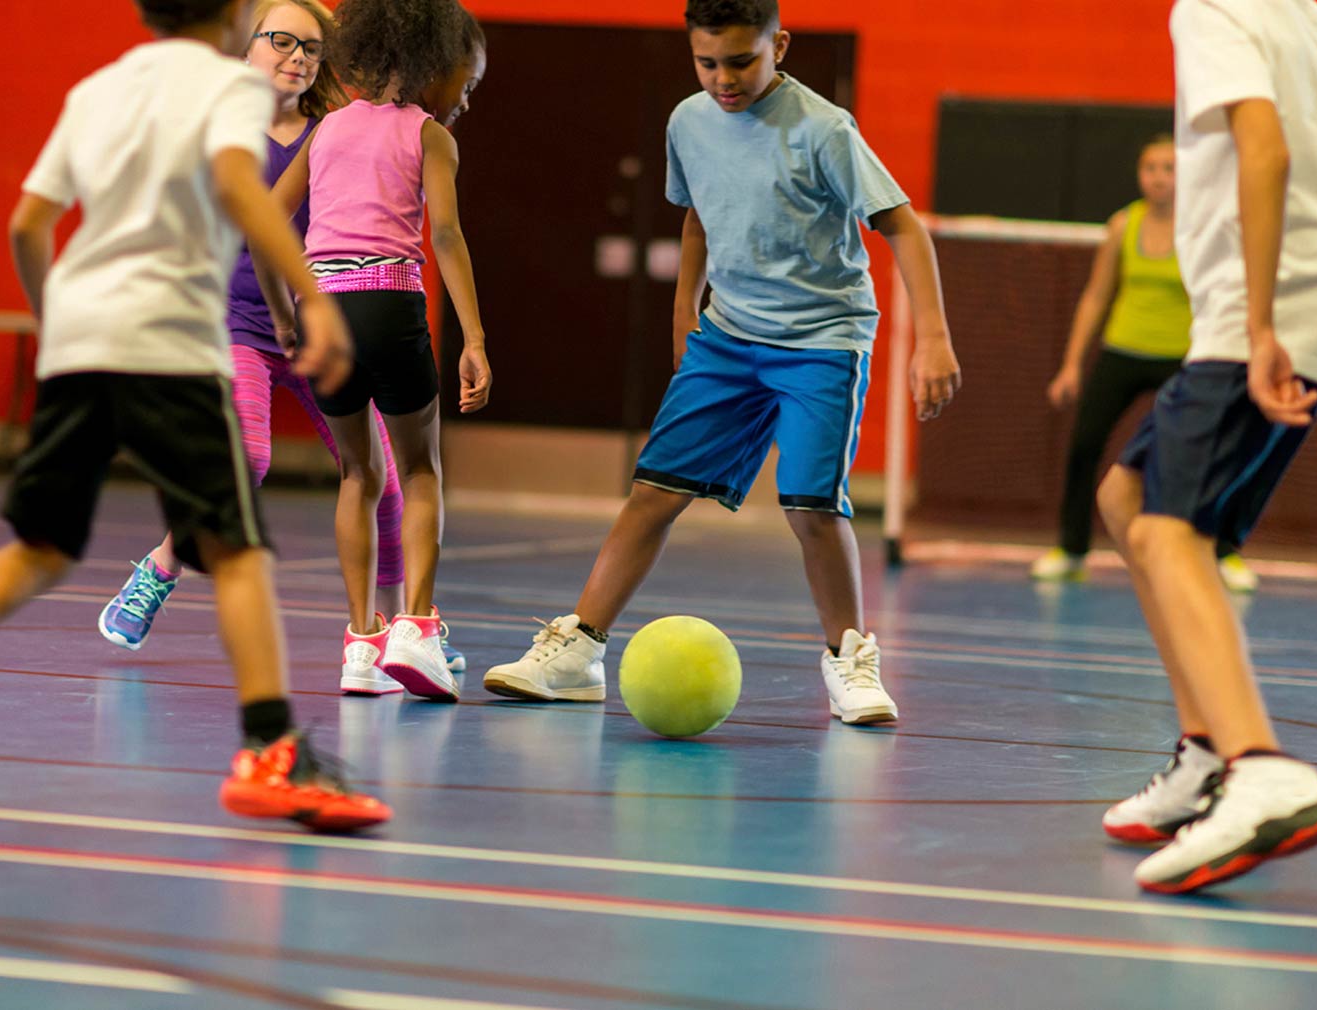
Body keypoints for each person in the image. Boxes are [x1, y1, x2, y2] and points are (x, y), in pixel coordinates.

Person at [0, 0, 390, 832]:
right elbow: (244, 194)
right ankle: (270, 752)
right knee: (238, 552)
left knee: (41, 546)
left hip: (78, 338)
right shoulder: (227, 91)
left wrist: (50, 318)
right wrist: (312, 300)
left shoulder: (96, 90)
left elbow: (29, 223)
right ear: (234, 19)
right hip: (168, 343)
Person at [480, 0, 959, 726]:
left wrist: (933, 338)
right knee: (652, 492)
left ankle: (850, 660)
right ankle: (577, 651)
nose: (724, 79)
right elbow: (697, 215)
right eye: (708, 63)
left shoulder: (825, 129)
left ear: (779, 46)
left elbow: (903, 227)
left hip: (822, 340)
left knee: (811, 505)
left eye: (741, 61)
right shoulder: (687, 121)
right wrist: (685, 317)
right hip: (728, 337)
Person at [1099, 0, 1317, 892]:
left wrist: (1258, 321)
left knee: (1172, 530)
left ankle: (1260, 767)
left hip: (1265, 319)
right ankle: (1206, 754)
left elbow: (1266, 147)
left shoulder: (1213, 12)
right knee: (1126, 501)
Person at [93, 0, 464, 693]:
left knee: (380, 482)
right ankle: (162, 567)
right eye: (282, 41)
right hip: (239, 327)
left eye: (314, 48)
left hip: (319, 328)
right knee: (251, 458)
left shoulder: (331, 133)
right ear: (247, 47)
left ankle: (395, 632)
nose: (298, 56)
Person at [273, 0, 490, 702]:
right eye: (467, 80)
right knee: (421, 470)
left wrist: (286, 314)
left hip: (321, 312)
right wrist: (475, 340)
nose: (465, 96)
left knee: (357, 476)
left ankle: (361, 646)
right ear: (435, 63)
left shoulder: (326, 128)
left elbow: (267, 222)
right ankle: (416, 628)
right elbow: (447, 239)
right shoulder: (430, 137)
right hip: (389, 303)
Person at [1030, 135, 1256, 591]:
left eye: (1169, 168)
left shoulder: (1203, 228)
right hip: (1123, 351)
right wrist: (1072, 364)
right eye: (1151, 168)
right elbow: (1097, 295)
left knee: (1208, 455)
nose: (1159, 177)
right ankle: (1072, 549)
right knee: (1085, 443)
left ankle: (1223, 551)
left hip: (1184, 357)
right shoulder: (1122, 226)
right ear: (1140, 175)